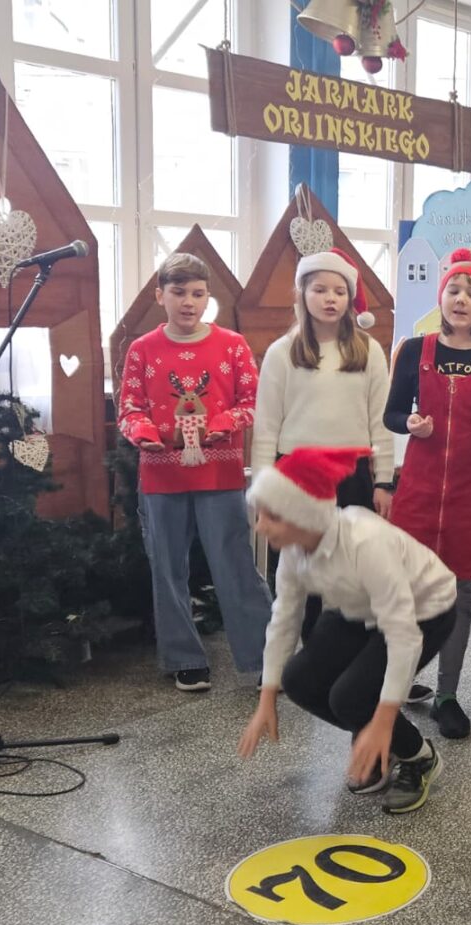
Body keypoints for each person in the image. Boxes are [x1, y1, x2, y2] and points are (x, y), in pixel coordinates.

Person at [238, 447, 456, 815]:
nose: (259, 526)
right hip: (357, 607)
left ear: (303, 515)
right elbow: (285, 618)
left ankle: (418, 757)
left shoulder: (366, 541)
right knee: (299, 680)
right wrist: (267, 698)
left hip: (424, 610)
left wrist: (382, 721)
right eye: (259, 515)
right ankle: (381, 741)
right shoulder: (294, 549)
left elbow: (403, 635)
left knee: (350, 698)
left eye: (271, 516)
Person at [383, 249, 471, 740]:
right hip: (419, 493)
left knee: (459, 596)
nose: (461, 299)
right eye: (453, 290)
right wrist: (410, 423)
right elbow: (391, 414)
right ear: (440, 297)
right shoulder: (413, 351)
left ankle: (447, 694)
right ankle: (396, 686)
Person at [117, 252, 272, 692]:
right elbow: (129, 408)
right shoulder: (141, 350)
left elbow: (252, 403)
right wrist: (144, 432)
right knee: (167, 568)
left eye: (198, 293)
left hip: (219, 477)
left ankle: (265, 656)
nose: (189, 302)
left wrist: (217, 426)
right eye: (179, 292)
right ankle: (184, 658)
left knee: (235, 564)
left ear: (208, 298)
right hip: (161, 479)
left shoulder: (233, 345)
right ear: (160, 295)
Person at [253, 248, 395, 636]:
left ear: (350, 298)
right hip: (296, 477)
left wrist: (384, 481)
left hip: (351, 475)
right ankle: (310, 654)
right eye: (320, 289)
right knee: (303, 576)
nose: (330, 299)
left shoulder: (368, 351)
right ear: (302, 294)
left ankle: (351, 654)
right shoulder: (283, 352)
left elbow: (380, 422)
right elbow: (266, 427)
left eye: (339, 291)